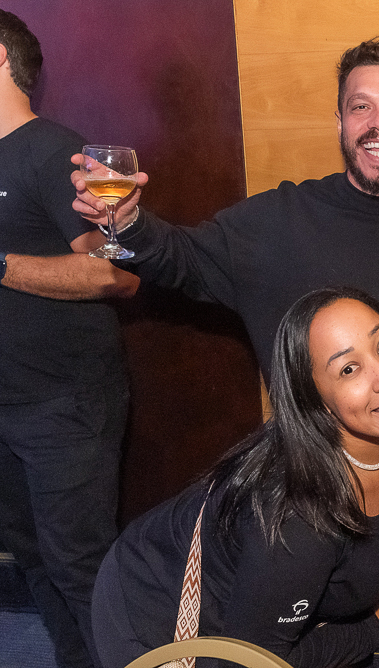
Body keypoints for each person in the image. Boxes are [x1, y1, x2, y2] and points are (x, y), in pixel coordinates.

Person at [71, 35, 379, 431]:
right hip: (318, 468)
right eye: (361, 107)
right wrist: (127, 220)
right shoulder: (276, 220)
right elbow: (182, 258)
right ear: (340, 122)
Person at [91, 287, 379, 668]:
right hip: (154, 609)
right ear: (315, 401)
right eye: (348, 369)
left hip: (256, 598)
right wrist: (374, 630)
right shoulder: (300, 521)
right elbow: (254, 661)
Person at [0, 10, 139, 668]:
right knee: (31, 558)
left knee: (79, 567)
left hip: (65, 404)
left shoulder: (56, 151)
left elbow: (117, 272)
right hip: (7, 403)